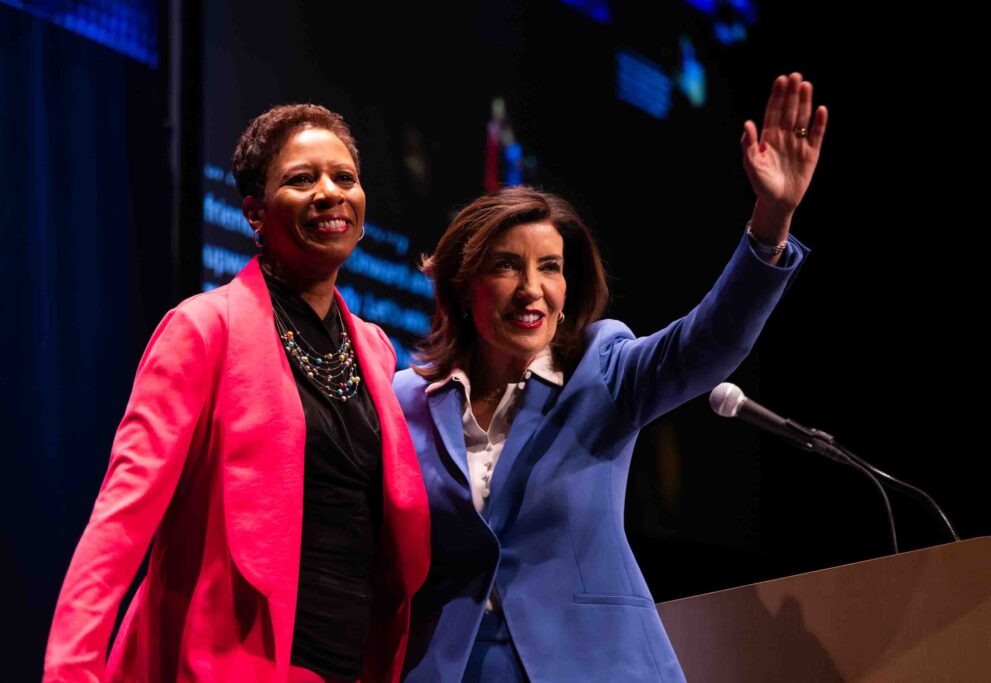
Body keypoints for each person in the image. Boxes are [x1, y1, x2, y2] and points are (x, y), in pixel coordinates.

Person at [393, 73, 826, 682]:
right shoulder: (405, 399)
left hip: (595, 665)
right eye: (507, 267)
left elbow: (709, 341)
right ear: (465, 288)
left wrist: (770, 221)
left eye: (550, 268)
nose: (533, 289)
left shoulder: (601, 366)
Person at [44, 104, 430, 683]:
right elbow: (121, 518)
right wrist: (71, 668)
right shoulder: (204, 328)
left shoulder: (375, 349)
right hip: (235, 665)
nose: (330, 193)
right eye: (302, 179)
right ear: (253, 213)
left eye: (344, 177)